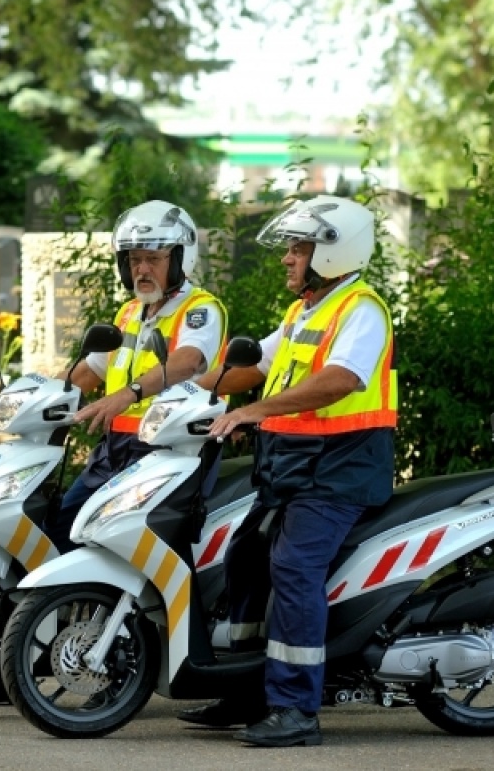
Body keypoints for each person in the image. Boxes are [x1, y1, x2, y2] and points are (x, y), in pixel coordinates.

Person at [176, 195, 396, 748]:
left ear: (330, 252)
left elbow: (341, 380)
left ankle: (297, 709)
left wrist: (253, 412)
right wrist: (178, 396)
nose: (287, 258)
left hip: (340, 473)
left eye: (298, 248)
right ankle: (250, 690)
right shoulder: (305, 312)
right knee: (245, 557)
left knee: (295, 568)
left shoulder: (360, 310)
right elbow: (251, 367)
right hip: (296, 472)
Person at [45, 200, 228, 552]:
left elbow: (186, 361)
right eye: (133, 260)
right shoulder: (129, 311)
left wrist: (129, 393)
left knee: (142, 547)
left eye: (153, 259)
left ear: (178, 260)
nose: (142, 269)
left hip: (171, 449)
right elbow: (90, 370)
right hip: (115, 449)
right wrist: (44, 400)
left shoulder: (200, 310)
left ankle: (173, 608)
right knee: (63, 528)